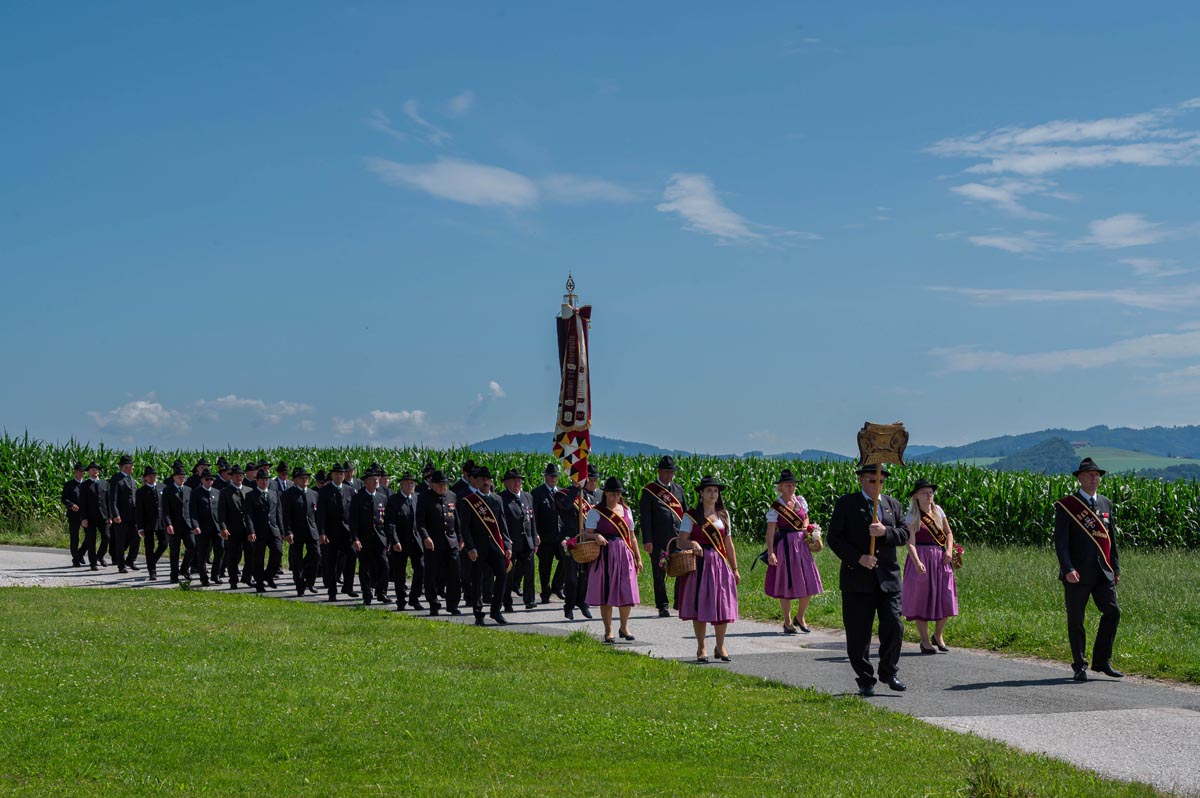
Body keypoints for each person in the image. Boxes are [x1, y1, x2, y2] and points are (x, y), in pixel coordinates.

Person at [828, 465, 909, 696]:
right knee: (858, 633)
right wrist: (858, 558)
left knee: (894, 624)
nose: (877, 485)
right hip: (858, 579)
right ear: (862, 480)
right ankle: (865, 678)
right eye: (872, 481)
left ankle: (889, 671)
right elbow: (834, 538)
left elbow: (904, 534)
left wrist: (885, 532)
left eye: (881, 481)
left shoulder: (892, 504)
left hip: (888, 578)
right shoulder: (847, 503)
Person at [1054, 457, 1123, 681]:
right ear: (1080, 478)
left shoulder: (1106, 503)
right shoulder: (1067, 506)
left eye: (1097, 475)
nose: (1095, 478)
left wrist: (1115, 569)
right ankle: (1079, 665)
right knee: (1076, 620)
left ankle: (1102, 661)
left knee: (1112, 612)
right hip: (1077, 573)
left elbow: (1111, 541)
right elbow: (1061, 543)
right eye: (1090, 475)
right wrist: (1068, 568)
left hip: (1103, 571)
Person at [678, 475, 740, 662]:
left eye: (715, 491)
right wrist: (692, 543)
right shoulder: (691, 516)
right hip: (700, 565)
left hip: (720, 565)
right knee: (700, 605)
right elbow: (681, 541)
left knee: (722, 605)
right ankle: (701, 647)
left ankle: (720, 646)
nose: (713, 494)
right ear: (701, 493)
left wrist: (735, 568)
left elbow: (728, 544)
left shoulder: (724, 515)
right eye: (709, 490)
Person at [902, 479, 958, 653]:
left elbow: (948, 533)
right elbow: (910, 543)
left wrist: (949, 550)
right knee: (922, 599)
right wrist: (917, 562)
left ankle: (938, 635)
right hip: (921, 559)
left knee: (946, 596)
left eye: (931, 492)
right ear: (916, 496)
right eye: (925, 492)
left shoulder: (938, 511)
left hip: (941, 559)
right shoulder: (912, 516)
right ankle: (925, 641)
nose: (929, 495)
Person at [583, 476, 642, 643]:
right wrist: (596, 536)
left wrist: (638, 558)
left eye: (618, 494)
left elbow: (632, 537)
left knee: (627, 590)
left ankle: (624, 627)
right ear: (605, 493)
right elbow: (587, 533)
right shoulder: (596, 512)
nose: (615, 497)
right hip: (605, 555)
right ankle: (608, 630)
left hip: (625, 554)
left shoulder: (627, 511)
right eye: (612, 494)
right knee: (606, 592)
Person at [764, 469, 823, 634]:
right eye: (787, 485)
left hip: (802, 545)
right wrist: (771, 552)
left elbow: (806, 517)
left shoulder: (800, 501)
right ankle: (787, 620)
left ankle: (800, 616)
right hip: (784, 547)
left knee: (808, 579)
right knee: (785, 583)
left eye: (793, 485)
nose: (791, 487)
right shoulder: (776, 507)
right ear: (780, 487)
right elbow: (770, 531)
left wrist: (806, 526)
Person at [460, 466, 512, 626]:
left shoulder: (497, 500)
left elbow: (503, 525)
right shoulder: (470, 501)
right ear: (477, 482)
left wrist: (507, 545)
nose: (485, 482)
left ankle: (496, 610)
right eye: (482, 479)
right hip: (478, 548)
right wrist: (470, 547)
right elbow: (465, 528)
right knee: (477, 580)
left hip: (495, 546)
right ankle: (478, 612)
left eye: (487, 479)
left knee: (502, 574)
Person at [639, 455, 688, 618]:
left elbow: (685, 514)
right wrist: (647, 540)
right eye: (666, 472)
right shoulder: (649, 491)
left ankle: (679, 601)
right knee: (659, 573)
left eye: (671, 472)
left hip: (678, 538)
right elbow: (645, 518)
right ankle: (662, 605)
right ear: (659, 471)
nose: (669, 475)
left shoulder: (679, 490)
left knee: (683, 569)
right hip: (658, 540)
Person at [557, 465, 601, 620]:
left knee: (586, 576)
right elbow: (564, 505)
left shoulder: (598, 496)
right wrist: (576, 489)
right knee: (571, 577)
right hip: (571, 540)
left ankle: (583, 603)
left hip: (589, 542)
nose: (593, 483)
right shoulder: (565, 493)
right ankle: (569, 606)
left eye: (595, 480)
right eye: (590, 480)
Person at [417, 470, 462, 616]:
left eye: (445, 484)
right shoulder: (424, 498)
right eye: (440, 484)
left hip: (451, 541)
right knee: (432, 575)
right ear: (433, 485)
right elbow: (420, 522)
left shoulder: (452, 496)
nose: (443, 487)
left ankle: (453, 605)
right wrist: (426, 537)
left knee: (454, 574)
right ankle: (433, 603)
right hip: (434, 543)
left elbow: (456, 519)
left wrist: (460, 538)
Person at [350, 468, 396, 605]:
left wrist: (389, 539)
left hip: (380, 538)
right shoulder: (358, 498)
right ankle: (367, 594)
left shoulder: (382, 498)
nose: (376, 481)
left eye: (377, 478)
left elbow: (387, 521)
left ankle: (381, 593)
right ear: (366, 482)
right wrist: (355, 538)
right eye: (373, 479)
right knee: (365, 568)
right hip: (364, 539)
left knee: (384, 565)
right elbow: (353, 521)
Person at [499, 469, 539, 612]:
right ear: (506, 483)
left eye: (519, 480)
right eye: (513, 480)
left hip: (526, 541)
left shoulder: (527, 497)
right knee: (509, 574)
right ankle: (507, 602)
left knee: (529, 572)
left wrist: (534, 537)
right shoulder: (501, 498)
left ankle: (530, 600)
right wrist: (505, 542)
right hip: (511, 542)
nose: (517, 483)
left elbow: (532, 519)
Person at [318, 463, 357, 600]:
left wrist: (355, 533)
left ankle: (348, 586)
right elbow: (321, 514)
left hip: (346, 532)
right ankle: (332, 591)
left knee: (352, 555)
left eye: (341, 474)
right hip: (331, 532)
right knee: (331, 562)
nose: (339, 476)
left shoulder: (350, 490)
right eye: (337, 474)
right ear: (332, 475)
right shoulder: (324, 491)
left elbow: (353, 514)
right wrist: (322, 532)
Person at [386, 471, 424, 609]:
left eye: (412, 483)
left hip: (416, 540)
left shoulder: (417, 498)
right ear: (401, 485)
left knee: (421, 567)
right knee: (400, 572)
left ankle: (414, 597)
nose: (410, 485)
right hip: (401, 541)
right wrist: (395, 541)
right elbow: (390, 523)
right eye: (407, 483)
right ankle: (401, 600)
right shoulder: (394, 500)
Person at [282, 466, 321, 596]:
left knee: (316, 554)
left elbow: (317, 515)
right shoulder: (288, 494)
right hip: (296, 531)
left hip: (312, 530)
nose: (305, 480)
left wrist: (320, 531)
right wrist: (288, 532)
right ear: (295, 480)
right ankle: (300, 586)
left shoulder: (313, 494)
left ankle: (310, 581)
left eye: (307, 478)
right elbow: (285, 515)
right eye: (302, 478)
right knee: (297, 558)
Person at [246, 469, 283, 592]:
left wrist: (282, 531)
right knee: (259, 557)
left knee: (278, 552)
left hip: (273, 530)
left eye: (266, 479)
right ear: (257, 481)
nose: (264, 482)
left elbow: (278, 513)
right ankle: (259, 583)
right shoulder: (251, 495)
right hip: (259, 531)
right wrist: (251, 531)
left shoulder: (274, 494)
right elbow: (248, 515)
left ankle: (269, 575)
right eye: (262, 479)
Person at [533, 463, 565, 603]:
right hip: (545, 537)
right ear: (545, 476)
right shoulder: (537, 493)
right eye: (551, 475)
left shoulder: (561, 492)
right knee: (545, 566)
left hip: (560, 536)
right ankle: (545, 594)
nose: (554, 478)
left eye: (556, 476)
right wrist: (536, 534)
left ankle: (557, 586)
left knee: (566, 559)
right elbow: (534, 516)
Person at [218, 466, 254, 589]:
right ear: (231, 477)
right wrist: (223, 528)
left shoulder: (249, 490)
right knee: (234, 555)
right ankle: (233, 580)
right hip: (233, 528)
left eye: (241, 475)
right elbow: (222, 512)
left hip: (248, 528)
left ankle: (247, 577)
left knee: (250, 553)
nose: (239, 478)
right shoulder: (225, 492)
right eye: (237, 476)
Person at [162, 464, 197, 583]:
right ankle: (174, 574)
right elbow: (165, 510)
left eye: (183, 477)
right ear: (174, 478)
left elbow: (192, 508)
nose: (182, 479)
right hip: (174, 525)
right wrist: (168, 524)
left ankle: (184, 569)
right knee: (174, 551)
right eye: (179, 477)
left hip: (187, 525)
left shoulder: (188, 490)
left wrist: (194, 524)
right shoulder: (168, 490)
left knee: (192, 546)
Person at [189, 470, 222, 586]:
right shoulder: (196, 493)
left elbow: (221, 511)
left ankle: (215, 574)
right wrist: (195, 526)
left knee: (220, 550)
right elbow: (193, 511)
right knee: (203, 553)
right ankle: (203, 577)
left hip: (216, 527)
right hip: (203, 528)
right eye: (207, 479)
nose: (209, 481)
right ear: (202, 480)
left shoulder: (217, 492)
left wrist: (223, 526)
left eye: (211, 479)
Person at [134, 466, 167, 580]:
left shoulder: (162, 487)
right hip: (148, 522)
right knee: (149, 547)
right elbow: (139, 510)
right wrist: (140, 527)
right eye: (150, 476)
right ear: (145, 478)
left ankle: (152, 561)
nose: (152, 478)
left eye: (154, 475)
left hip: (161, 521)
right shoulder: (141, 492)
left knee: (164, 543)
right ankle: (152, 571)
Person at [108, 455, 139, 573]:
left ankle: (131, 560)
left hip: (133, 515)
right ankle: (121, 565)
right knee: (120, 541)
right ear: (126, 467)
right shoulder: (116, 479)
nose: (133, 468)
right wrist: (115, 514)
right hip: (121, 515)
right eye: (132, 466)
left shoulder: (132, 479)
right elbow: (113, 498)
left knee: (136, 538)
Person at [79, 462, 111, 570]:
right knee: (91, 540)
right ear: (88, 472)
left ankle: (100, 556)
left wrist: (110, 516)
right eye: (92, 469)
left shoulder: (104, 483)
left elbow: (108, 501)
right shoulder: (84, 485)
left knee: (107, 536)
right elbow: (82, 503)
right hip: (90, 517)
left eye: (96, 469)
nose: (95, 471)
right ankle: (93, 563)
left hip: (103, 516)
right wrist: (83, 518)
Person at [62, 462, 86, 566]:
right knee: (74, 537)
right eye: (79, 472)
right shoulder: (69, 485)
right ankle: (75, 559)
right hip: (74, 515)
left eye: (83, 472)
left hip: (85, 515)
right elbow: (64, 498)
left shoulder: (86, 484)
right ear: (75, 472)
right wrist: (71, 505)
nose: (81, 473)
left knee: (90, 536)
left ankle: (81, 553)